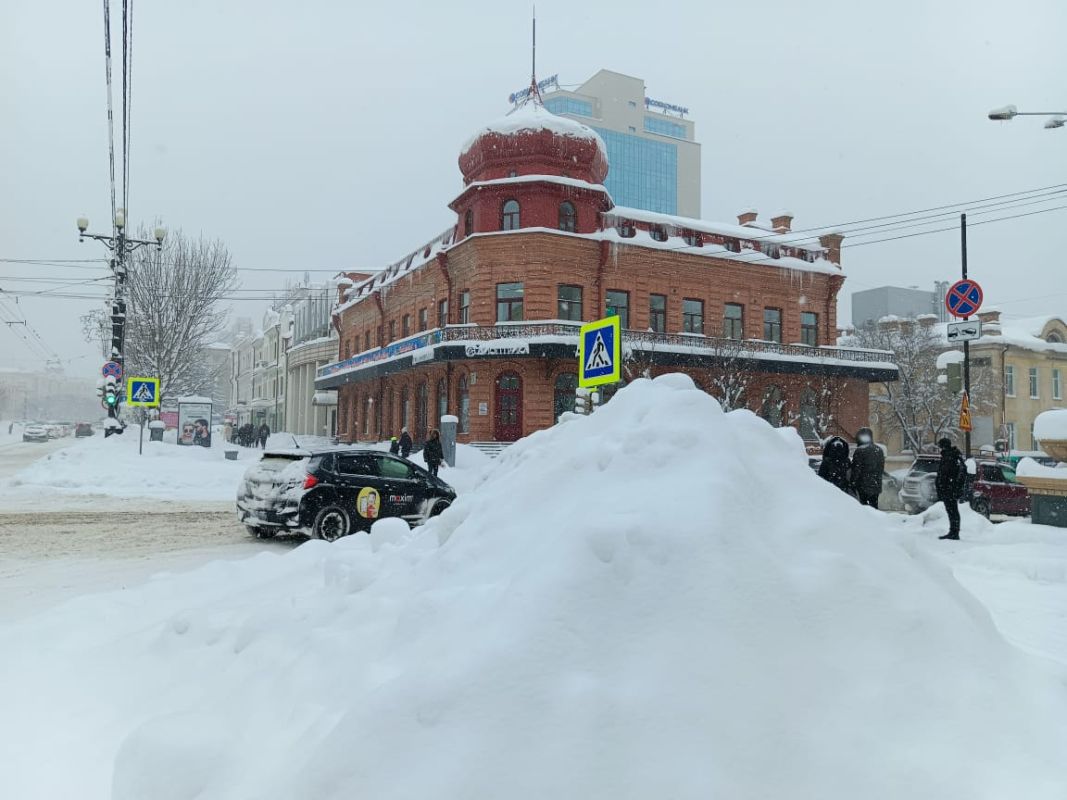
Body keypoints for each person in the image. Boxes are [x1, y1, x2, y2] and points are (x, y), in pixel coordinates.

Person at [936, 437, 967, 540]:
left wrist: (944, 486)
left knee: (952, 510)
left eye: (940, 446)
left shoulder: (950, 456)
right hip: (951, 488)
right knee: (952, 510)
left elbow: (945, 474)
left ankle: (954, 532)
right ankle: (953, 531)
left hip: (950, 489)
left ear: (943, 446)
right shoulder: (953, 455)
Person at [850, 427, 885, 509]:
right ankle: (875, 520)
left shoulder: (860, 451)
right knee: (874, 506)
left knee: (864, 508)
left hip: (863, 485)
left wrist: (852, 482)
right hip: (875, 485)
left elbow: (856, 469)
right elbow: (881, 468)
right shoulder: (879, 450)